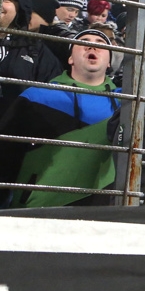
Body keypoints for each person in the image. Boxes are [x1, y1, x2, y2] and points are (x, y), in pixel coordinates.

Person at [0, 29, 120, 208]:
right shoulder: (37, 95)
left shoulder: (125, 102)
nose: (92, 45)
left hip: (100, 210)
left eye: (101, 44)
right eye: (84, 41)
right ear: (70, 58)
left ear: (109, 62)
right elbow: (5, 154)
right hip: (37, 207)